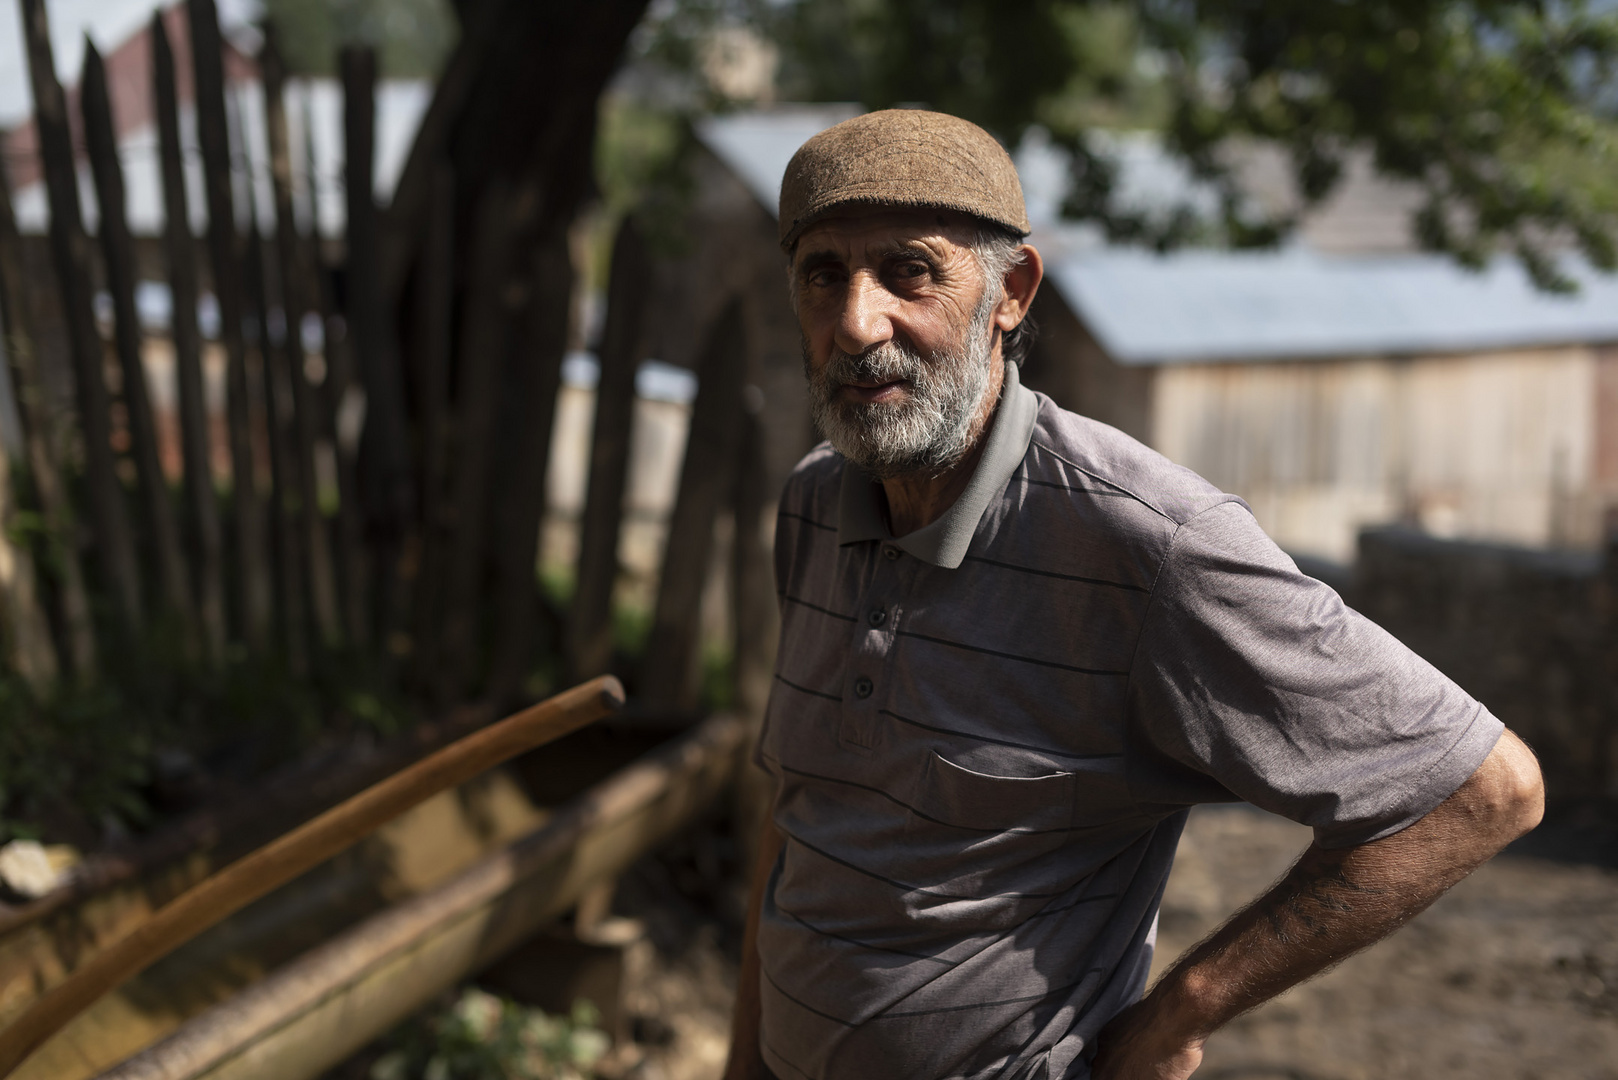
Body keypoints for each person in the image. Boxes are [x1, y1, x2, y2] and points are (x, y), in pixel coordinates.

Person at [723, 109, 1544, 1080]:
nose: (858, 322)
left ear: (1010, 293)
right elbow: (801, 818)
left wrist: (1181, 1012)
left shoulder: (1144, 543)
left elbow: (1481, 791)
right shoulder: (817, 501)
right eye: (824, 274)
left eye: (908, 270)